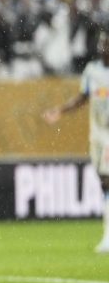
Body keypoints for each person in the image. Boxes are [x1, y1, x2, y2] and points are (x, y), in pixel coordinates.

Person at [43, 28, 109, 254]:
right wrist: (60, 111)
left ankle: (108, 235)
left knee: (107, 179)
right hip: (97, 134)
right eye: (102, 44)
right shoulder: (92, 71)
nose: (103, 48)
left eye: (107, 44)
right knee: (103, 181)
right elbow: (83, 97)